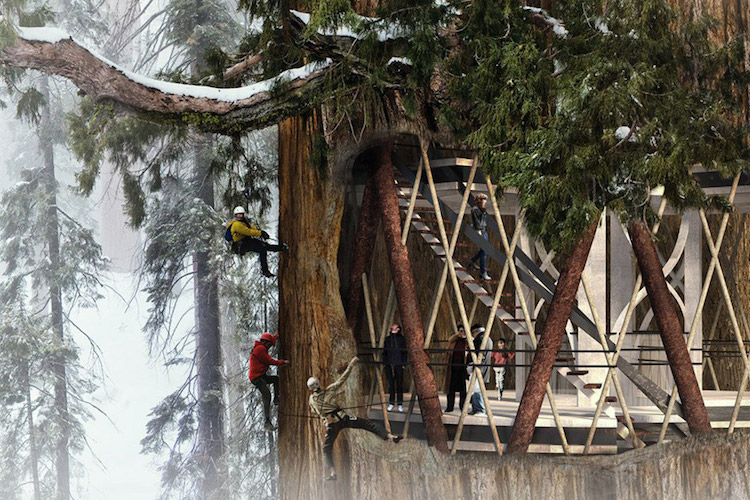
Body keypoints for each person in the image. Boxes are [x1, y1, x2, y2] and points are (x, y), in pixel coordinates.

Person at [307, 357, 401, 481]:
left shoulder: (312, 400)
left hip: (332, 425)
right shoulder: (330, 389)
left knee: (326, 449)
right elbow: (343, 378)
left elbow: (314, 412)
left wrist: (323, 417)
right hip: (345, 418)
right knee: (367, 424)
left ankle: (332, 473)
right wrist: (351, 364)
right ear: (319, 383)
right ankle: (391, 437)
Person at [227, 206, 287, 278]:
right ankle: (281, 249)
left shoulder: (243, 222)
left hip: (245, 241)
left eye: (241, 214)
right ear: (235, 215)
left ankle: (282, 248)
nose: (240, 216)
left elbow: (250, 227)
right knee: (262, 248)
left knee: (264, 247)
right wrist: (260, 233)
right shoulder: (237, 224)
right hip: (242, 244)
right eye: (238, 214)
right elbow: (248, 231)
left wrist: (260, 232)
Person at [249, 332, 290, 430]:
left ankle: (276, 399)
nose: (270, 347)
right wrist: (283, 362)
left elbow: (271, 339)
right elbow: (269, 361)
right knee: (267, 395)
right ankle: (267, 422)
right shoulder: (260, 349)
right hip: (257, 378)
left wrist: (275, 336)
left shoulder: (261, 347)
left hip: (261, 375)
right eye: (269, 345)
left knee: (276, 379)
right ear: (265, 343)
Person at [467, 324, 493, 415]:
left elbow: (480, 354)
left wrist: (473, 365)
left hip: (478, 368)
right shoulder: (488, 339)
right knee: (476, 388)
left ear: (475, 331)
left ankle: (480, 409)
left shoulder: (480, 338)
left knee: (476, 389)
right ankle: (476, 408)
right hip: (483, 367)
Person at [444, 323, 469, 413]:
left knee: (463, 390)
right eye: (460, 331)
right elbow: (448, 351)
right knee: (450, 389)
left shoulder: (468, 342)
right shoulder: (454, 341)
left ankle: (463, 407)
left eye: (463, 331)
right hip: (453, 369)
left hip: (463, 369)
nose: (462, 333)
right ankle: (449, 407)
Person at [383, 323, 407, 412]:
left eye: (394, 326)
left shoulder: (401, 339)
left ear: (398, 328)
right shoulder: (388, 339)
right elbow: (385, 352)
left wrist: (403, 363)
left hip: (399, 364)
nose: (392, 327)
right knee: (391, 385)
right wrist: (385, 363)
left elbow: (405, 352)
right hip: (389, 364)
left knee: (399, 385)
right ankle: (391, 403)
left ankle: (400, 403)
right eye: (392, 326)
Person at [468, 193, 491, 281]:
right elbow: (476, 222)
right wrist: (479, 231)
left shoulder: (483, 209)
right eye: (484, 200)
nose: (485, 202)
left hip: (484, 231)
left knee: (484, 251)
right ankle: (483, 271)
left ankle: (473, 261)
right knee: (484, 252)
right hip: (479, 231)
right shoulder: (475, 210)